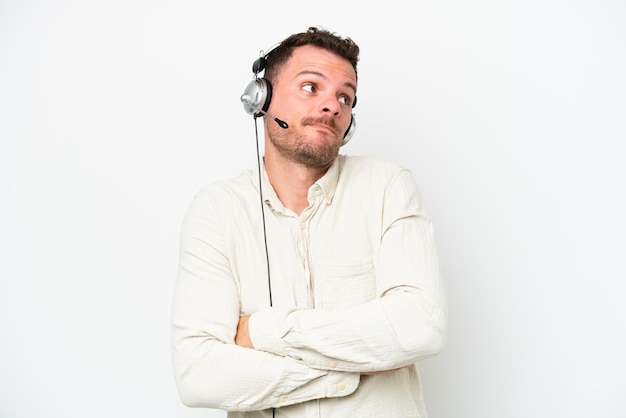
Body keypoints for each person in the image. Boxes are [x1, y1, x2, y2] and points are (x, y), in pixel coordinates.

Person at [171, 26, 447, 417]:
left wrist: (262, 332)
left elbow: (421, 327)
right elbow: (198, 374)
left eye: (344, 96)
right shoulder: (217, 209)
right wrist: (349, 372)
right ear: (261, 98)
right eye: (310, 87)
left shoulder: (387, 185)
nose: (333, 105)